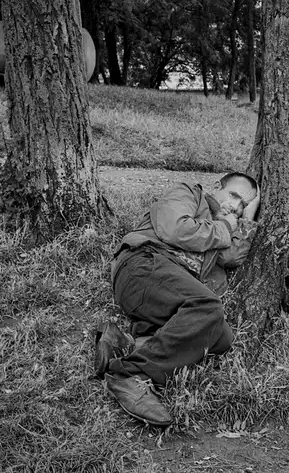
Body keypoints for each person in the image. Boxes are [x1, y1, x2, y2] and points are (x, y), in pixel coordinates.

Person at [98, 172, 260, 426]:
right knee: (207, 306)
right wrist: (227, 226)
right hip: (142, 266)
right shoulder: (190, 193)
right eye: (234, 196)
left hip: (164, 293)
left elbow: (230, 258)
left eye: (242, 206)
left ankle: (126, 345)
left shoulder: (218, 228)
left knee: (221, 337)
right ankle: (130, 375)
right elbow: (175, 229)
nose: (235, 207)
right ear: (217, 187)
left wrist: (247, 220)